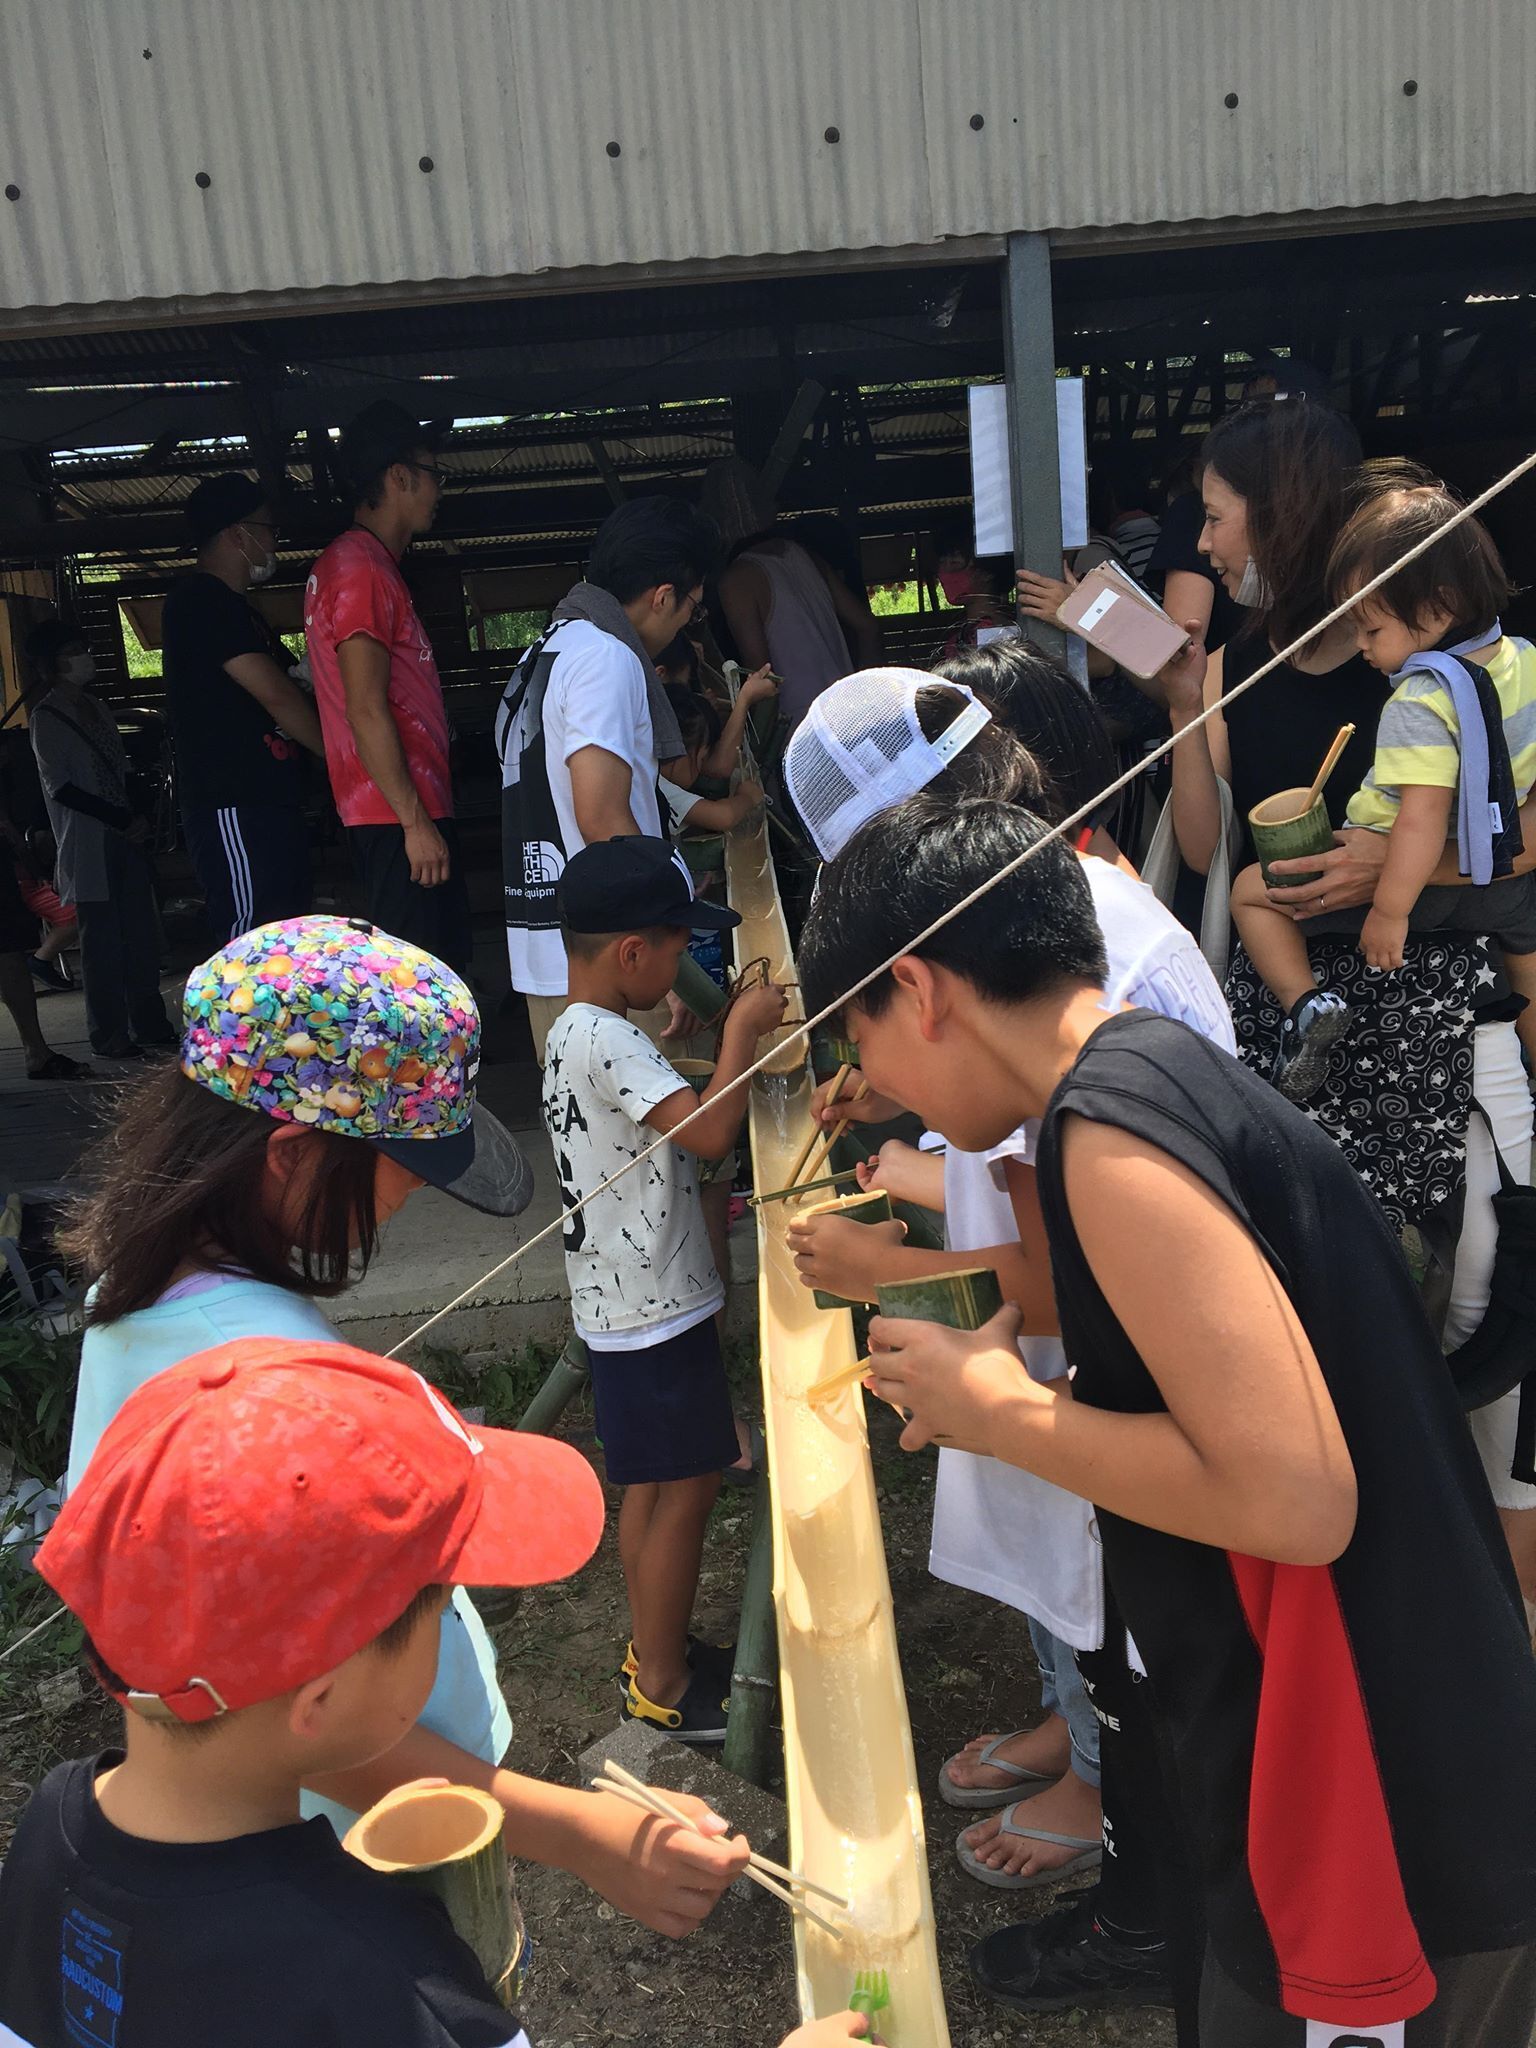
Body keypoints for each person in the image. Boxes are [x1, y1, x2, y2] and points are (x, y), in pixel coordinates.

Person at [799, 794, 1536, 2047]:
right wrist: (1022, 1396)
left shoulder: (1108, 1135)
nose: (875, 1083)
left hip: (1369, 1779)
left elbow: (1295, 1497)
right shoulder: (1145, 1073)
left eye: (858, 1036)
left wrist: (1006, 1412)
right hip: (1361, 1733)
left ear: (918, 988)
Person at [56, 914, 751, 1937]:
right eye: (406, 1163)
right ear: (293, 1154)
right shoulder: (253, 1378)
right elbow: (302, 1719)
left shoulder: (144, 1297)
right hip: (364, 1852)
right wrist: (584, 1833)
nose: (416, 1191)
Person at [0, 1338, 877, 2048]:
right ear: (321, 1701)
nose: (455, 1613)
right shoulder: (396, 1987)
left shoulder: (44, 1838)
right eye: (444, 1601)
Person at [784, 657, 1233, 2023]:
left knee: (1141, 1656)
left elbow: (1053, 1274)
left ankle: (1148, 1914)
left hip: (1144, 1401)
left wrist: (888, 1272)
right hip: (1138, 1382)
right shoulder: (1061, 911)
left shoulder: (1085, 1037)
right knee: (1117, 1647)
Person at [541, 838, 787, 1739]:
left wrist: (697, 1053)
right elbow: (712, 1134)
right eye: (680, 949)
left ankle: (654, 1650)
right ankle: (665, 1684)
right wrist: (740, 1032)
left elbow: (651, 1118)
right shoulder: (609, 1038)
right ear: (632, 953)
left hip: (621, 1306)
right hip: (655, 1310)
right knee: (687, 1488)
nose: (688, 965)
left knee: (651, 1487)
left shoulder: (575, 1030)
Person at [1233, 482, 1536, 1098]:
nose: (1362, 648)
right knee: (1529, 960)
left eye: (1370, 629)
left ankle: (1307, 1008)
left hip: (1404, 881)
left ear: (1437, 608)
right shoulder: (1525, 661)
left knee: (1250, 894)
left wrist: (1390, 910)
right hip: (1505, 884)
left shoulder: (1420, 701)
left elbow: (1420, 818)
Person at [496, 496, 723, 1060]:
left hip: (552, 950)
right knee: (664, 1117)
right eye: (692, 608)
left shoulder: (544, 651)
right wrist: (670, 962)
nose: (685, 623)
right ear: (664, 596)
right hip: (618, 965)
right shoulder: (605, 657)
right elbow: (602, 818)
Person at [304, 403, 470, 975]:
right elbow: (366, 707)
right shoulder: (361, 571)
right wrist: (414, 822)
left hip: (394, 809)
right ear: (400, 476)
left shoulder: (364, 564)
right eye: (434, 474)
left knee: (429, 973)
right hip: (395, 814)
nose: (439, 490)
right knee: (425, 982)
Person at [162, 472, 324, 942]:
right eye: (268, 529)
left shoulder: (242, 612)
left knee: (284, 935)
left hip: (269, 796)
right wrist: (341, 757)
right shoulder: (200, 600)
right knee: (250, 938)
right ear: (238, 533)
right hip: (233, 799)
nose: (274, 542)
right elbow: (275, 693)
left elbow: (287, 682)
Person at [24, 620, 176, 1061]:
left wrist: (137, 816)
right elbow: (61, 787)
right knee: (102, 943)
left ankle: (149, 1023)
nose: (84, 657)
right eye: (73, 650)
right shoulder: (46, 718)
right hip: (87, 841)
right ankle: (109, 1033)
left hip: (124, 835)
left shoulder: (97, 707)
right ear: (52, 663)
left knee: (141, 935)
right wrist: (120, 819)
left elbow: (121, 772)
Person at [700, 457, 882, 728]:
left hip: (800, 727)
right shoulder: (806, 556)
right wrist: (866, 696)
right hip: (848, 712)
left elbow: (762, 676)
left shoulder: (736, 580)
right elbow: (867, 626)